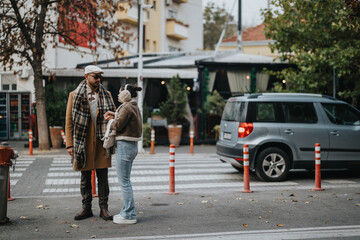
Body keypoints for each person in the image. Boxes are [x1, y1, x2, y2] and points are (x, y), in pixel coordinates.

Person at [65, 65, 116, 221]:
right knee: (85, 176)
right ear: (86, 76)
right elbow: (69, 121)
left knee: (103, 176)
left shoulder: (106, 94)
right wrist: (70, 144)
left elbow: (115, 115)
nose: (98, 79)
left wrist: (112, 116)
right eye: (95, 76)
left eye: (100, 76)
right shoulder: (74, 95)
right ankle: (86, 208)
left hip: (102, 142)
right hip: (83, 142)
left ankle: (103, 208)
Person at [104, 84, 142, 224]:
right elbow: (127, 119)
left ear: (126, 94)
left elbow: (118, 125)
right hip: (131, 146)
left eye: (120, 93)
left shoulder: (126, 107)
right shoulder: (133, 106)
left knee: (124, 182)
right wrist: (114, 114)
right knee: (126, 181)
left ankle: (129, 215)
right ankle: (127, 212)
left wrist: (110, 120)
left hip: (125, 146)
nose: (118, 95)